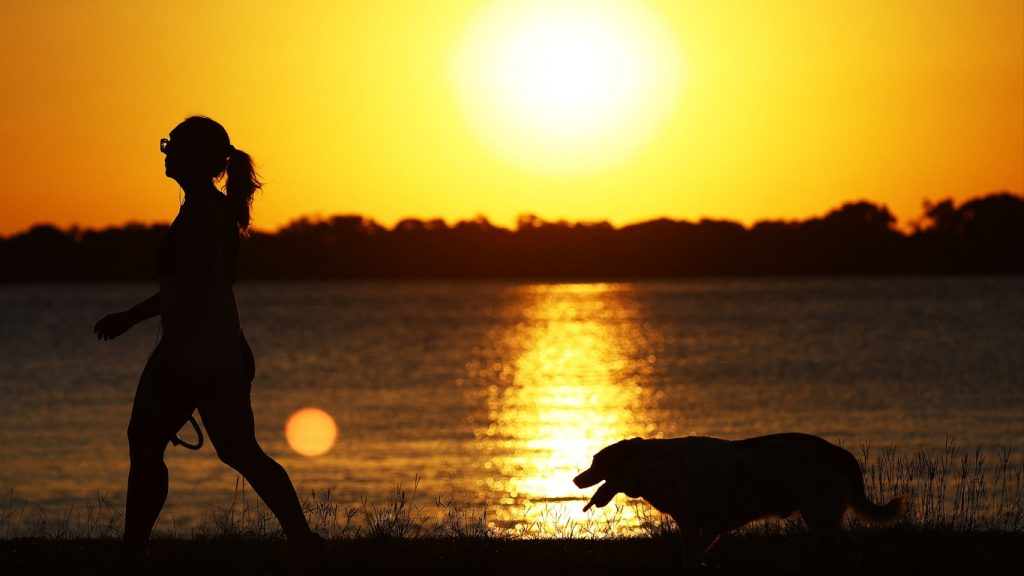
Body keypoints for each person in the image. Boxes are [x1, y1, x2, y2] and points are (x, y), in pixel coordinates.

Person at [93, 116, 322, 572]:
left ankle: (133, 553)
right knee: (233, 450)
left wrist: (130, 318)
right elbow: (204, 287)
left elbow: (192, 288)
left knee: (152, 442)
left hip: (193, 353)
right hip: (213, 349)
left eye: (173, 146)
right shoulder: (207, 209)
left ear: (197, 158)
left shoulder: (202, 215)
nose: (166, 153)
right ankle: (303, 541)